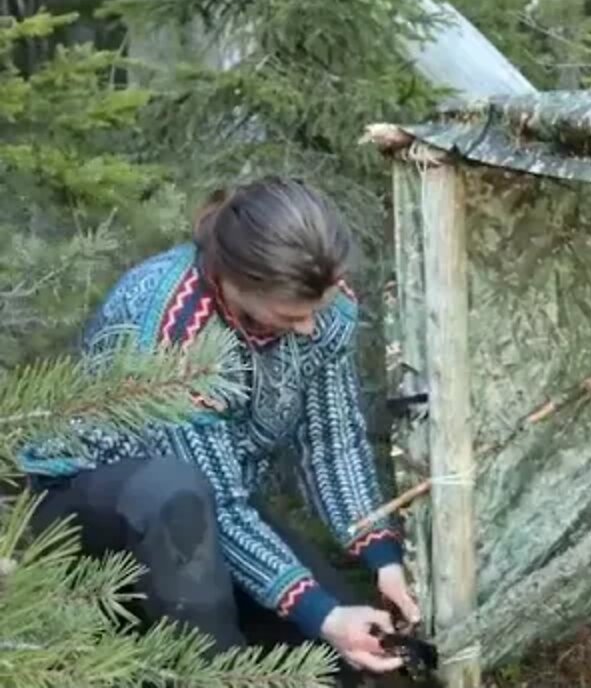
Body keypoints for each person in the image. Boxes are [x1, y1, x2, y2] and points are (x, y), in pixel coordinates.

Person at [18, 176, 424, 686]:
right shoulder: (172, 327)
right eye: (292, 315)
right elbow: (213, 500)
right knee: (175, 492)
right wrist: (320, 612)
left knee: (347, 660)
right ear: (238, 281)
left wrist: (380, 556)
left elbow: (332, 440)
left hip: (211, 510)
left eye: (316, 311)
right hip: (90, 512)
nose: (307, 328)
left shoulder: (324, 307)